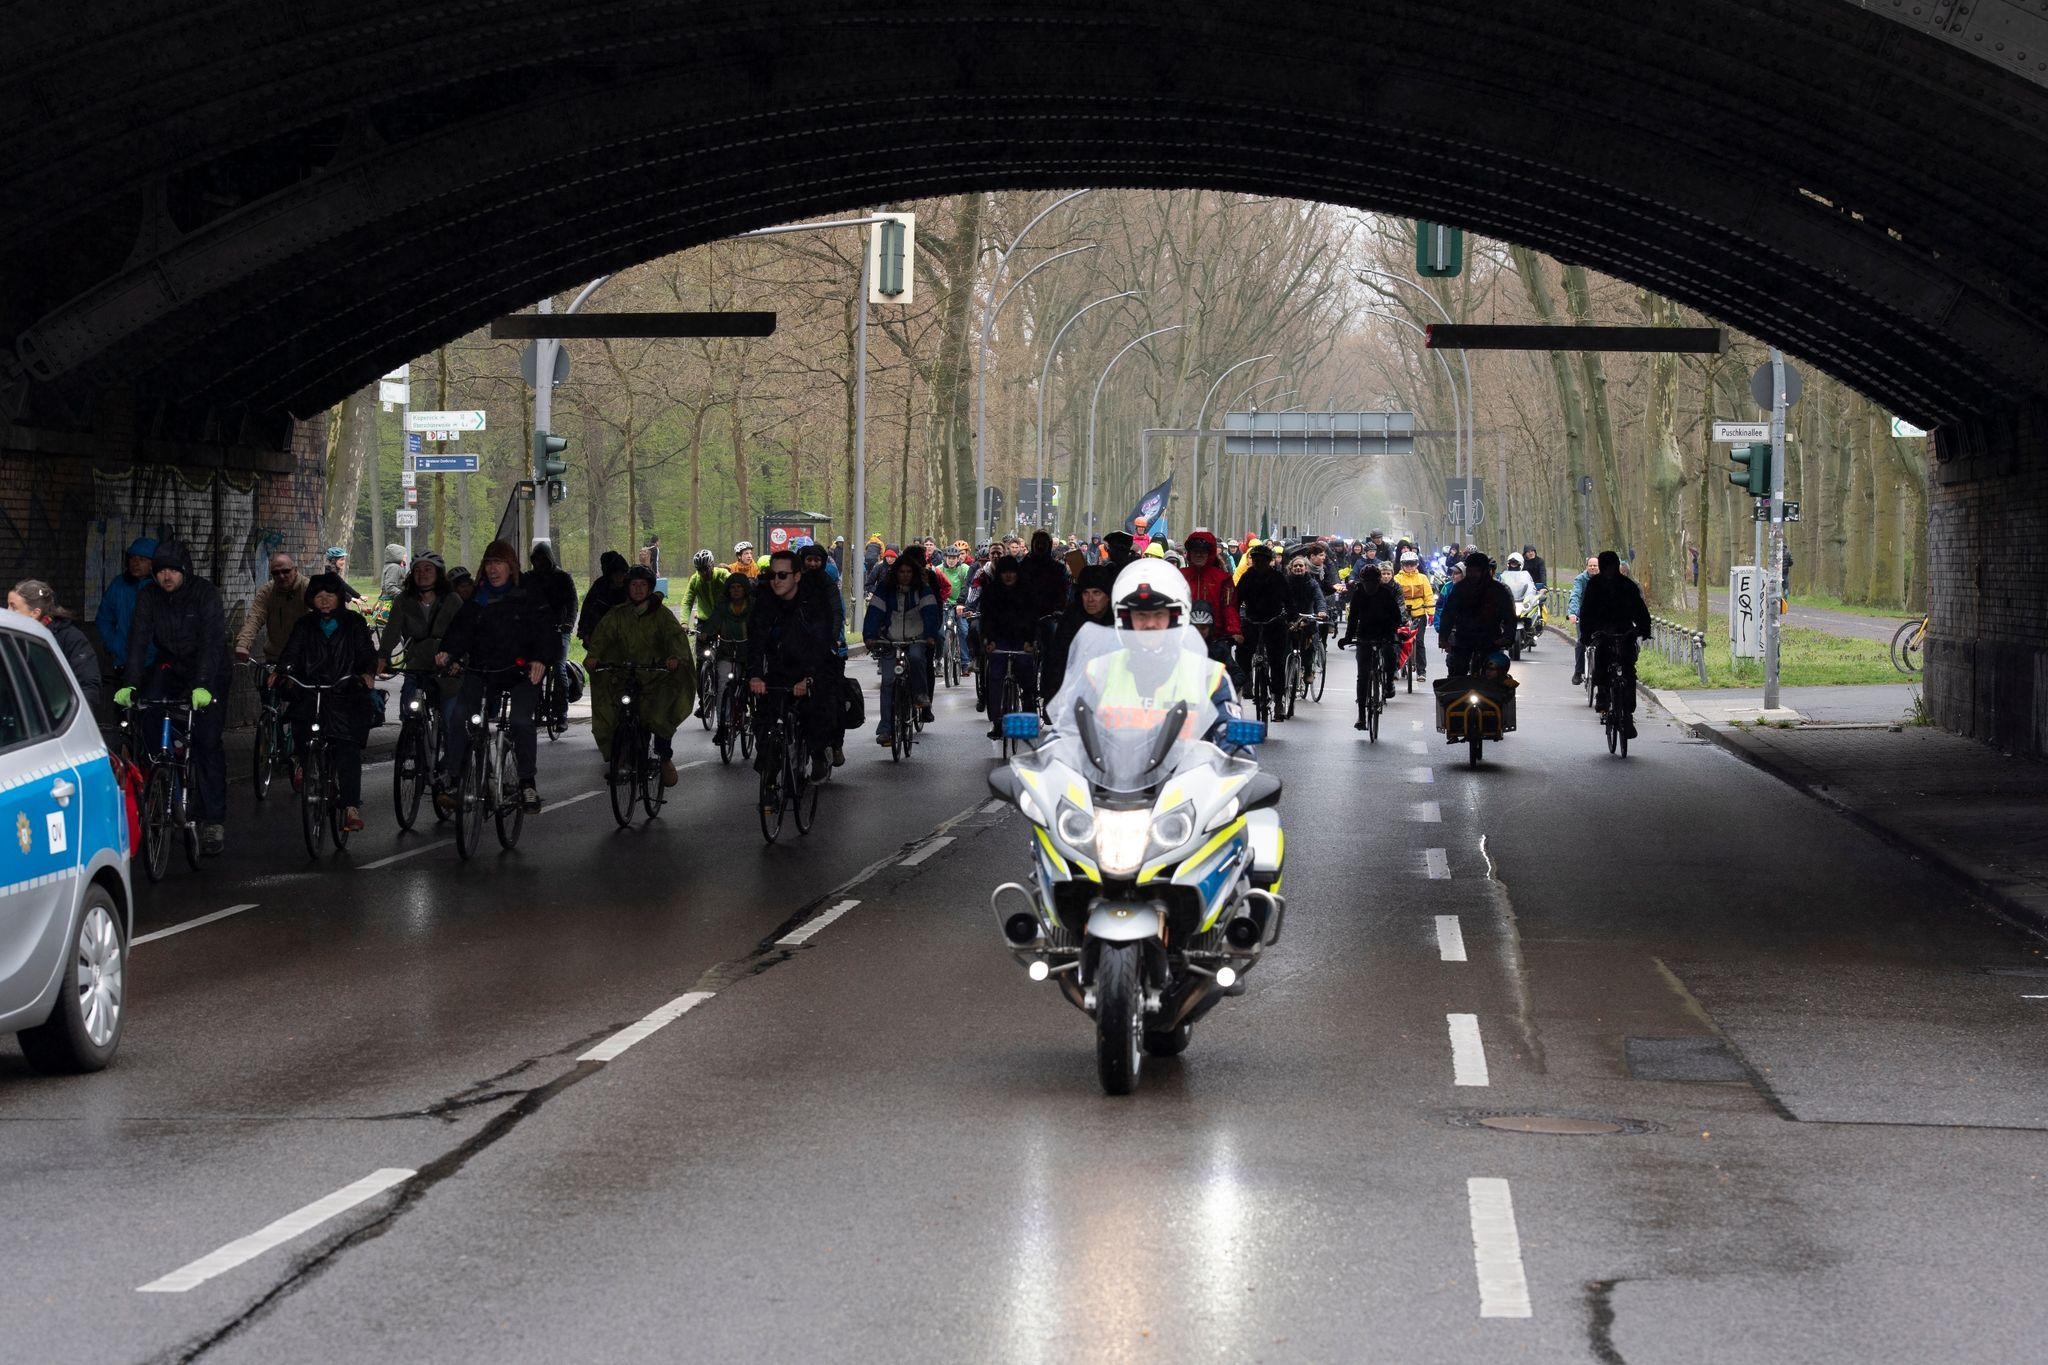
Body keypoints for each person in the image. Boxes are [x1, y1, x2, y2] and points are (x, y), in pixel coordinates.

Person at [113, 540, 231, 855]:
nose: (166, 577)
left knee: (207, 743)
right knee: (147, 709)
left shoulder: (204, 594)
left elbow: (211, 641)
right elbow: (138, 642)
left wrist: (204, 683)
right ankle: (163, 773)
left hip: (210, 670)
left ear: (185, 571)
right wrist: (130, 683)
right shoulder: (149, 597)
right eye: (161, 571)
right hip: (172, 665)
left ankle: (212, 820)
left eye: (173, 571)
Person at [436, 539, 559, 813]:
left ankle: (527, 782)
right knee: (460, 716)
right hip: (483, 670)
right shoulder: (477, 600)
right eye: (489, 564)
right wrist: (448, 653)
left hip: (521, 672)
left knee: (520, 721)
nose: (493, 569)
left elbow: (546, 631)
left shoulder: (529, 595)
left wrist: (540, 659)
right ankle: (455, 780)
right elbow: (460, 631)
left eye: (499, 564)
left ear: (511, 566)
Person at [273, 571, 377, 833]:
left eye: (329, 595)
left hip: (345, 694)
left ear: (339, 597)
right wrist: (282, 672)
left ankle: (351, 806)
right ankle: (309, 769)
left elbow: (365, 652)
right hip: (312, 692)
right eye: (319, 596)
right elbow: (292, 652)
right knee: (301, 731)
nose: (324, 600)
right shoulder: (305, 625)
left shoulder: (353, 623)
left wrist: (366, 673)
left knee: (347, 747)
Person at [587, 564, 693, 786]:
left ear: (649, 588)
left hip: (657, 678)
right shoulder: (617, 615)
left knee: (658, 715)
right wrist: (594, 657)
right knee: (612, 712)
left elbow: (675, 639)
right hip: (625, 675)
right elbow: (602, 637)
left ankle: (664, 757)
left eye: (642, 585)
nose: (637, 589)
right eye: (633, 585)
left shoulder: (662, 615)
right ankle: (621, 757)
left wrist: (673, 658)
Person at [746, 549, 837, 784]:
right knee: (764, 716)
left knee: (816, 707)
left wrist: (808, 677)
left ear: (797, 576)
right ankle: (769, 758)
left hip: (811, 666)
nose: (776, 581)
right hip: (778, 668)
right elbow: (756, 641)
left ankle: (819, 754)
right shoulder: (765, 601)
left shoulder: (813, 602)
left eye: (783, 575)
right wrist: (755, 675)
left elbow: (821, 643)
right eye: (773, 575)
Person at [378, 552, 463, 725]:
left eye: (427, 569)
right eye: (417, 570)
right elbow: (391, 631)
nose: (422, 574)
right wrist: (383, 656)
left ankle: (451, 751)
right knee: (408, 710)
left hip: (446, 665)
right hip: (416, 664)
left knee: (449, 718)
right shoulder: (403, 600)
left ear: (438, 573)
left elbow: (463, 633)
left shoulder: (452, 600)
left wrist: (457, 659)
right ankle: (409, 744)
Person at [862, 554, 940, 745]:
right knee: (888, 681)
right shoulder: (884, 590)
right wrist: (870, 636)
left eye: (908, 572)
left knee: (915, 658)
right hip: (891, 639)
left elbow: (931, 614)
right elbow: (873, 613)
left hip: (916, 638)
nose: (904, 575)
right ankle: (885, 729)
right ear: (895, 573)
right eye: (901, 572)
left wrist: (930, 635)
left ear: (913, 574)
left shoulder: (923, 590)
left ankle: (920, 694)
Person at [1577, 550, 1654, 738]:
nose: (1609, 570)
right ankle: (1602, 693)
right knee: (1601, 660)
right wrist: (1587, 633)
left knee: (1629, 668)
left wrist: (1643, 629)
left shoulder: (1627, 586)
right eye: (1607, 566)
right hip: (1602, 631)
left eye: (1612, 566)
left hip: (1624, 631)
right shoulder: (1594, 585)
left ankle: (1627, 712)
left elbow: (1640, 610)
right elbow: (1586, 610)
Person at [973, 555, 1039, 738]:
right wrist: (989, 640)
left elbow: (1032, 618)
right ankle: (997, 721)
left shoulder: (1027, 591)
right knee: (995, 676)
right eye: (1004, 572)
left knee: (1026, 675)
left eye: (1011, 572)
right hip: (999, 640)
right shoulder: (992, 591)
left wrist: (1030, 641)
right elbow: (986, 618)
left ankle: (1027, 715)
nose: (1008, 576)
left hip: (1022, 641)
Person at [234, 552, 312, 707]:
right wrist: (243, 643)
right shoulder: (267, 592)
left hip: (303, 658)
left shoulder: (307, 589)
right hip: (275, 656)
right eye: (276, 573)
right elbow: (255, 617)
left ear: (295, 570)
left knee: (302, 704)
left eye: (285, 571)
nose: (281, 576)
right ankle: (269, 725)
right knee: (269, 698)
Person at [798, 540, 850, 767]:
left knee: (833, 698)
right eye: (808, 560)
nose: (812, 564)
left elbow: (837, 611)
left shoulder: (828, 584)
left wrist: (833, 638)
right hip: (800, 649)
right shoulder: (795, 584)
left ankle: (835, 743)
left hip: (829, 648)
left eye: (816, 560)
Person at [9, 580, 102, 704]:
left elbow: (89, 687)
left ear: (35, 613)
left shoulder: (70, 638)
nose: (7, 611)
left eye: (13, 607)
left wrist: (62, 714)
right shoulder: (10, 636)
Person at [1337, 556, 1403, 723]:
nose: (1370, 584)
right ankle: (1361, 714)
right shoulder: (1358, 594)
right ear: (1362, 581)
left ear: (1379, 580)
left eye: (1374, 580)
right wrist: (1347, 638)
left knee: (1390, 654)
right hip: (1364, 634)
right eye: (1367, 581)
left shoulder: (1386, 593)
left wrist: (1394, 634)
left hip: (1384, 632)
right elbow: (1352, 619)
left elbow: (1396, 616)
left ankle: (1388, 681)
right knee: (1362, 675)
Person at [1438, 552, 1517, 678]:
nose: (1472, 574)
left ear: (1485, 571)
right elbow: (1448, 614)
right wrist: (1443, 638)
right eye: (1470, 570)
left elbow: (1509, 616)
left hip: (1490, 640)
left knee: (1495, 671)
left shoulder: (1498, 590)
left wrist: (1507, 637)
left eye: (1476, 571)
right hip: (1463, 639)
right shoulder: (1459, 589)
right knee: (1456, 671)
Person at [1234, 542, 1292, 713]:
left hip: (1273, 622)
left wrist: (1292, 617)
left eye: (1262, 560)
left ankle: (1279, 699)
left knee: (1277, 661)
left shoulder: (1278, 578)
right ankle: (1245, 687)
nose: (1258, 563)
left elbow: (1288, 601)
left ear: (1269, 561)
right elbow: (1235, 601)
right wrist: (1234, 621)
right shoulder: (1247, 577)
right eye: (1255, 559)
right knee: (1242, 655)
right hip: (1251, 621)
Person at [526, 541, 580, 722]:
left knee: (559, 669)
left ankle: (561, 713)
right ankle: (531, 706)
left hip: (558, 630)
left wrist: (569, 623)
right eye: (536, 560)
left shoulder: (562, 578)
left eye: (542, 560)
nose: (539, 563)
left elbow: (572, 602)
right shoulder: (529, 578)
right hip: (536, 631)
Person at [1046, 563, 1116, 700]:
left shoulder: (1120, 618)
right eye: (1086, 593)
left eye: (1096, 593)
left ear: (1108, 596)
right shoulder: (1071, 618)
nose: (1090, 599)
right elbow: (1059, 657)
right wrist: (1053, 694)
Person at [1179, 531, 1243, 671]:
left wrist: (1234, 630)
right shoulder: (1179, 575)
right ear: (1189, 553)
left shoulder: (1223, 578)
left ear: (1210, 554)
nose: (1199, 555)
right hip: (1183, 637)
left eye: (1203, 552)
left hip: (1215, 638)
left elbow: (1229, 606)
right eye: (1195, 551)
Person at [703, 570, 753, 745]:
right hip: (726, 652)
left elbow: (759, 625)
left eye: (740, 587)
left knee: (751, 684)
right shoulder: (723, 606)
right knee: (723, 686)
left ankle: (749, 714)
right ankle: (722, 726)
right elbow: (713, 621)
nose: (736, 590)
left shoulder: (752, 606)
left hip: (747, 653)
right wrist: (705, 633)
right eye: (733, 587)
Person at [98, 536, 156, 681]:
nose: (136, 563)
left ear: (153, 563)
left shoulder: (161, 587)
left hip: (155, 663)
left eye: (142, 559)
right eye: (133, 558)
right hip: (124, 659)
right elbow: (104, 618)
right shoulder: (119, 584)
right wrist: (115, 644)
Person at [1283, 548, 1329, 689]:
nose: (1298, 568)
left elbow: (1319, 598)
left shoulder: (1312, 583)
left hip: (1307, 617)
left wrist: (1321, 611)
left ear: (1306, 568)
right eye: (1295, 566)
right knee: (1284, 646)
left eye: (1301, 566)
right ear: (1291, 568)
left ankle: (1308, 670)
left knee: (1309, 645)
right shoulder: (1285, 583)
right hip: (1289, 617)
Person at [1391, 550, 1437, 677]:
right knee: (1398, 641)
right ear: (1402, 565)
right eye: (1407, 564)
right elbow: (1393, 596)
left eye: (1412, 564)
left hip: (1419, 612)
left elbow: (1428, 596)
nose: (1410, 567)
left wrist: (1431, 613)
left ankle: (1422, 671)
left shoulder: (1422, 578)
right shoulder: (1396, 579)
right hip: (1402, 614)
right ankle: (1395, 667)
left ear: (1417, 564)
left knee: (1420, 642)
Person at [577, 551, 632, 647]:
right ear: (609, 574)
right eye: (615, 574)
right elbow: (588, 608)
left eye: (622, 574)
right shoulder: (600, 585)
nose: (619, 578)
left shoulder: (632, 587)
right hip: (599, 636)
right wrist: (584, 631)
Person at [1566, 554, 1599, 685]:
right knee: (1581, 642)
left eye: (1595, 565)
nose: (1593, 568)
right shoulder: (1580, 579)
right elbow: (1575, 595)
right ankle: (1578, 672)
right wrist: (1573, 613)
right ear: (1587, 567)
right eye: (1590, 565)